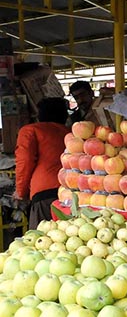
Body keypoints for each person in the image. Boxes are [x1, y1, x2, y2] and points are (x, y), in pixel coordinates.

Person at [14, 97, 70, 229]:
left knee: (42, 241)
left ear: (39, 115)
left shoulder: (30, 131)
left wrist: (20, 191)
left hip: (44, 194)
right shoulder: (71, 132)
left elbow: (25, 161)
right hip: (71, 193)